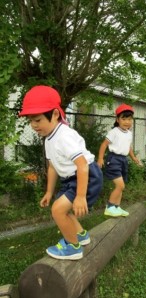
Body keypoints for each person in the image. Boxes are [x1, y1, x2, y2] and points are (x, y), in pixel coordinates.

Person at [19, 85, 103, 260]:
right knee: (62, 207)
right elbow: (52, 166)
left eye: (38, 120)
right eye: (30, 120)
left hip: (86, 176)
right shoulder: (49, 137)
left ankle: (73, 248)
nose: (34, 125)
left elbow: (82, 165)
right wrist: (49, 191)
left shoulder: (64, 136)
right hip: (71, 177)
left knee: (58, 210)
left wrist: (80, 196)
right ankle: (80, 235)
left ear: (55, 114)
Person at [97, 103, 140, 217]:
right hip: (114, 159)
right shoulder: (114, 132)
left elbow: (128, 147)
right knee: (120, 185)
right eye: (124, 118)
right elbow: (104, 144)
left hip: (123, 160)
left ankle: (117, 207)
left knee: (122, 185)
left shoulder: (129, 133)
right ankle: (110, 207)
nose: (127, 122)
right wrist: (100, 158)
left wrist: (134, 158)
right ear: (117, 119)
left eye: (129, 119)